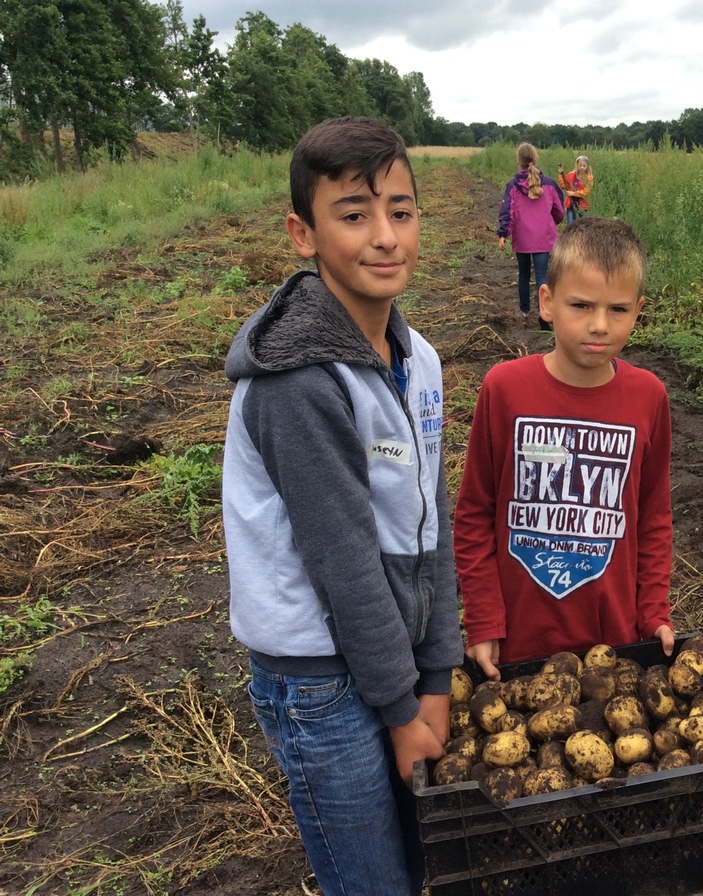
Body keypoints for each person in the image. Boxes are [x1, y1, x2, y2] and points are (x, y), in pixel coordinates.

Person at [221, 116, 463, 896]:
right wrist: (402, 709)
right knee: (372, 881)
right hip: (319, 677)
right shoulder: (296, 380)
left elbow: (433, 517)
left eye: (401, 210)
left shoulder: (416, 357)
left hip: (391, 649)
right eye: (354, 215)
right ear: (304, 233)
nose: (385, 236)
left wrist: (439, 672)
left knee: (419, 861)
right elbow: (344, 562)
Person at [455, 216, 676, 677]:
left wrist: (653, 612)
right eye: (581, 305)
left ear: (638, 310)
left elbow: (653, 516)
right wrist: (482, 619)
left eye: (618, 310)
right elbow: (474, 513)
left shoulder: (648, 397)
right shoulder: (504, 389)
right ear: (547, 302)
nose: (599, 325)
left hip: (612, 643)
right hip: (518, 642)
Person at [497, 142, 564, 328]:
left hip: (523, 238)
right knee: (543, 275)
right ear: (535, 158)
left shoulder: (513, 185)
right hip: (543, 237)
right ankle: (545, 314)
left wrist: (503, 234)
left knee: (524, 275)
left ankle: (524, 311)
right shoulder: (549, 184)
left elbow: (507, 211)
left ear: (519, 160)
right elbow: (559, 210)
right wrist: (551, 222)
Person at [557, 155, 594, 224]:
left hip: (583, 206)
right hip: (571, 204)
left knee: (583, 225)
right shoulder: (571, 175)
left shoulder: (589, 178)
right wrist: (560, 175)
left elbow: (586, 192)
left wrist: (573, 193)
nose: (581, 167)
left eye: (584, 166)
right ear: (577, 165)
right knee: (570, 224)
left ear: (587, 166)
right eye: (580, 165)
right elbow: (564, 186)